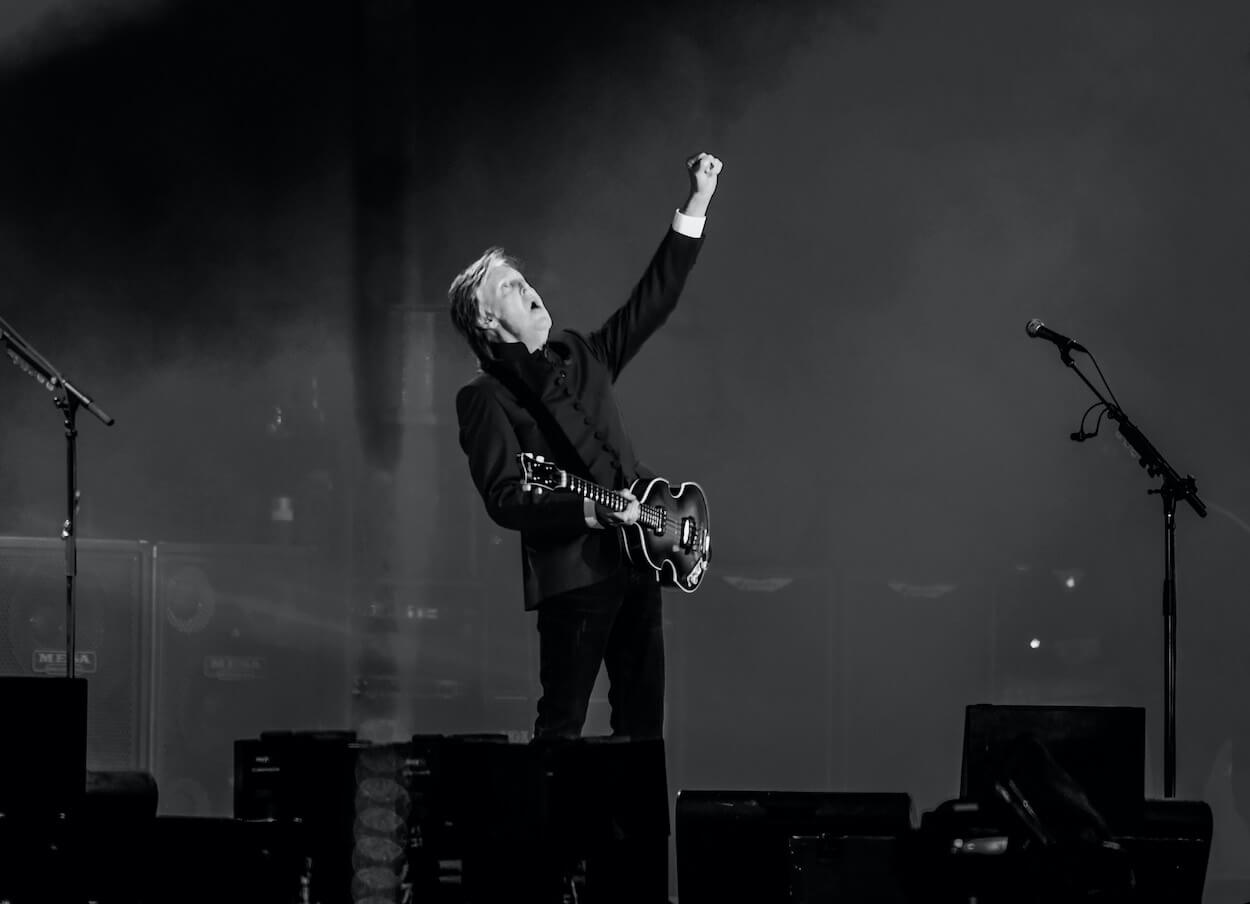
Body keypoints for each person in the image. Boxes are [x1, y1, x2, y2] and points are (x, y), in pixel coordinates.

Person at [448, 152, 722, 744]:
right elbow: (506, 498)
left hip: (643, 558)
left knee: (644, 727)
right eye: (510, 289)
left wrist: (697, 202)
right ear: (488, 322)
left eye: (523, 280)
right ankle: (554, 837)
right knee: (563, 726)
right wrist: (591, 510)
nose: (529, 289)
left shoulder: (580, 353)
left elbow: (651, 303)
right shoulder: (485, 397)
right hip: (573, 578)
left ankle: (640, 840)